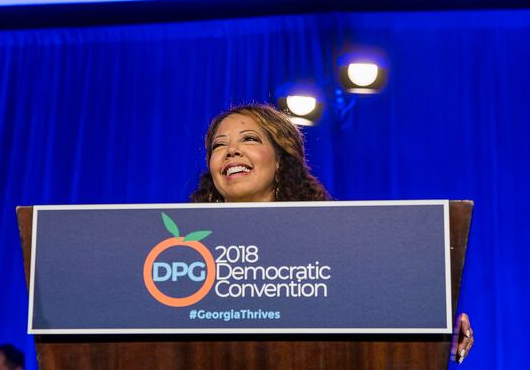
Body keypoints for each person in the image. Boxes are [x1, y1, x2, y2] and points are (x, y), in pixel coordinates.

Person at [190, 104, 474, 363]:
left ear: (280, 159)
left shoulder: (335, 241)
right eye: (219, 145)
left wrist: (438, 324)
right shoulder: (182, 249)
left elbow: (377, 300)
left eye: (249, 139)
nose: (232, 150)